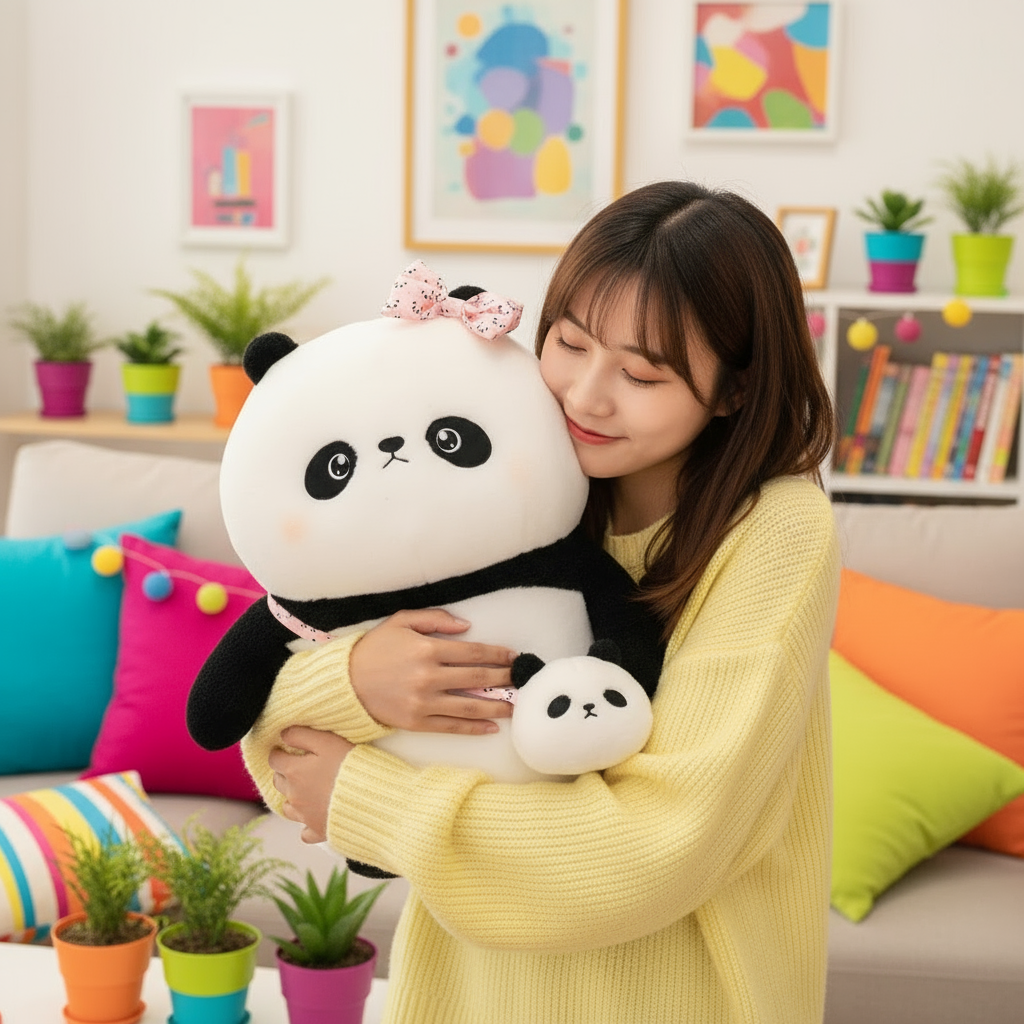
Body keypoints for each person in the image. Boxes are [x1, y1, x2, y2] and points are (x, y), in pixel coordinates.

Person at [245, 180, 840, 1024]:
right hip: (466, 989)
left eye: (642, 374)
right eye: (569, 343)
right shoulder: (498, 475)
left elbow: (656, 850)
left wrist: (373, 800)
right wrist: (356, 678)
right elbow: (276, 760)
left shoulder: (774, 529)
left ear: (734, 390)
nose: (586, 396)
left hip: (673, 997)